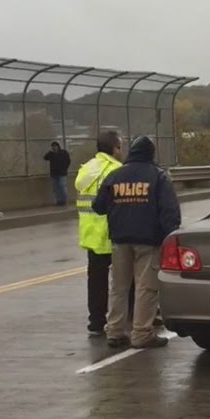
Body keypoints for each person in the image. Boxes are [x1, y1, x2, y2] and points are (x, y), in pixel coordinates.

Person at [93, 135, 180, 349]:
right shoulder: (157, 176)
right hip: (148, 241)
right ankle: (141, 333)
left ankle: (114, 331)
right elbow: (169, 212)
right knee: (146, 287)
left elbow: (98, 206)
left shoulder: (115, 176)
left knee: (119, 287)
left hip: (120, 240)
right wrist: (171, 237)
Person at [74, 130, 133, 337]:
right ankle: (132, 317)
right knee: (126, 280)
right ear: (114, 149)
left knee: (96, 281)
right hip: (113, 233)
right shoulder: (117, 170)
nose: (122, 151)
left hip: (91, 235)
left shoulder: (86, 169)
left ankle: (96, 321)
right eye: (120, 147)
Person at [44, 141, 71, 206]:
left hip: (62, 173)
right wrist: (50, 152)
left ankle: (64, 200)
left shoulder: (63, 153)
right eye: (53, 147)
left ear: (58, 146)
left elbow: (68, 161)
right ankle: (59, 201)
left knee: (62, 186)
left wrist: (64, 168)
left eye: (55, 146)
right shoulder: (51, 154)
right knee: (56, 188)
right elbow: (45, 158)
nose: (54, 148)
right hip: (54, 174)